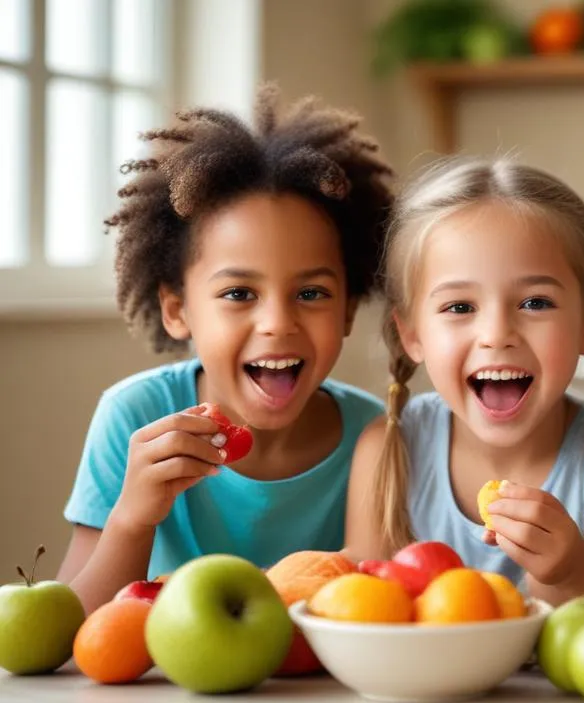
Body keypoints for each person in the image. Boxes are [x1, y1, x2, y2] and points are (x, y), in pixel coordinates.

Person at [56, 84, 394, 612]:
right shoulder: (135, 419)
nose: (278, 324)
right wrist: (132, 518)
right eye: (238, 294)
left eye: (311, 293)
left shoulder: (374, 439)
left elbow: (375, 609)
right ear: (177, 310)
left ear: (348, 309)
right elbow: (76, 632)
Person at [344, 157, 584, 607]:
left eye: (535, 302)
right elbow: (363, 615)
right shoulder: (387, 452)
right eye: (459, 307)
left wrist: (569, 573)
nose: (497, 334)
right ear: (412, 335)